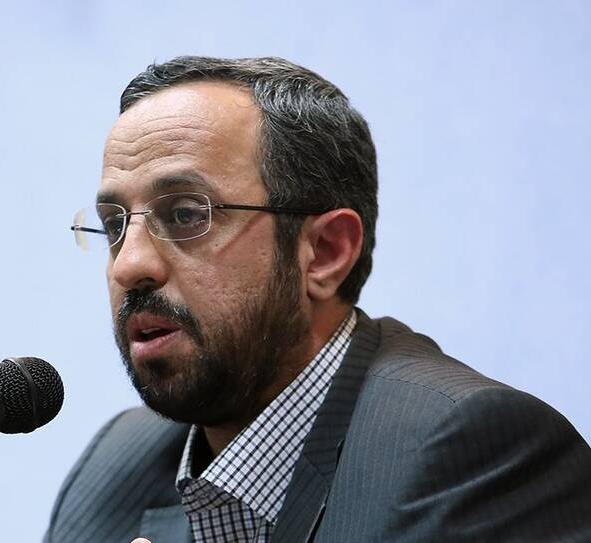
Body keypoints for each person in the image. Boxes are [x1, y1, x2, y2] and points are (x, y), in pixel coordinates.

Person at [44, 56, 591, 542]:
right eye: (114, 225)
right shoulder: (114, 467)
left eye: (187, 214)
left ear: (325, 252)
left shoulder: (470, 456)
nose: (129, 265)